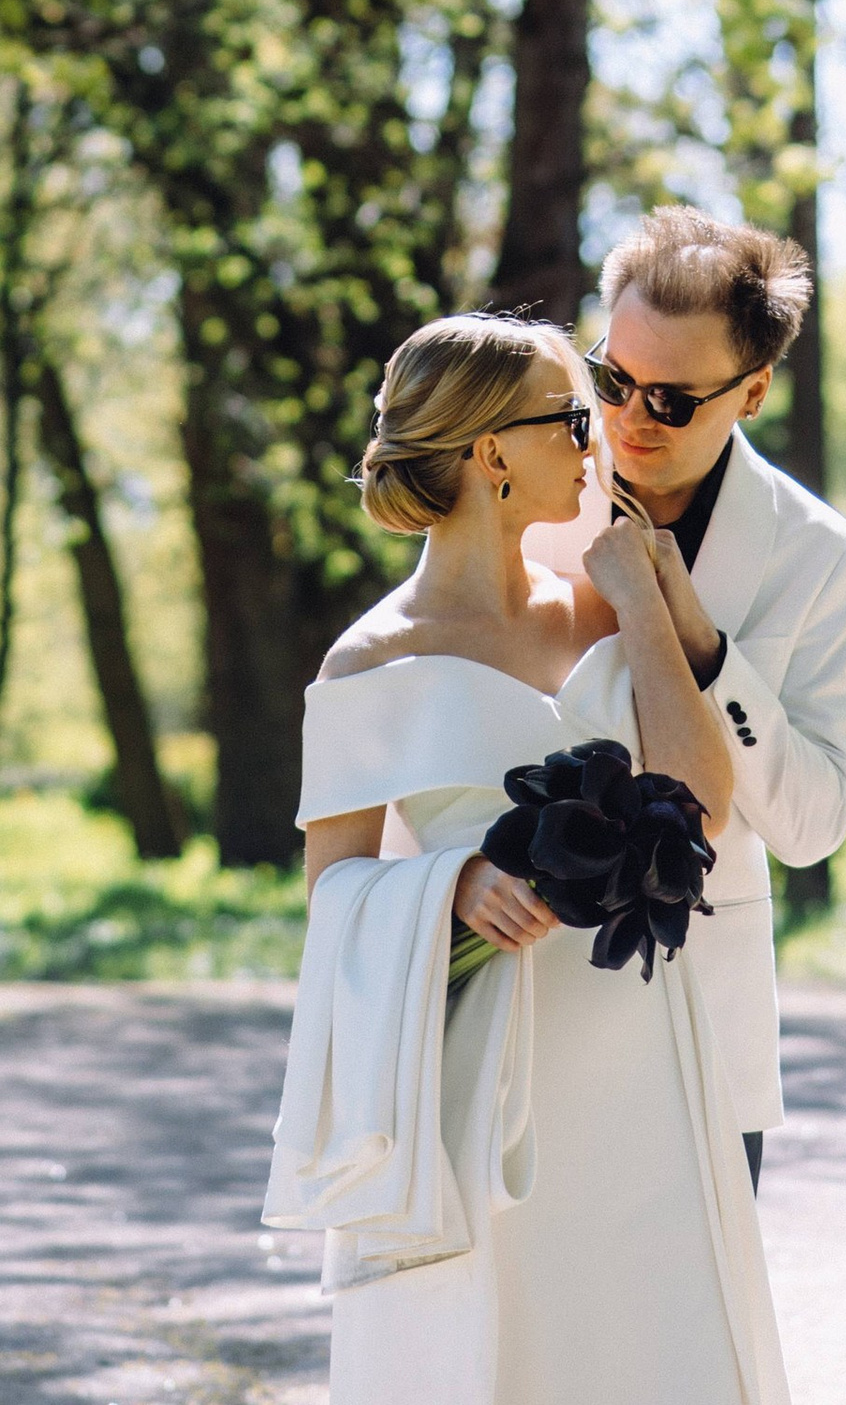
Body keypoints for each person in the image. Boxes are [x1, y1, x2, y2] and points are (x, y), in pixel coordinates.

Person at [267, 312, 787, 1405]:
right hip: (489, 1063)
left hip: (645, 1030)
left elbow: (703, 799)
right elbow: (331, 889)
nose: (596, 435)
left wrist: (644, 603)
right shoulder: (369, 659)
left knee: (652, 1330)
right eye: (569, 416)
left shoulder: (606, 603)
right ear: (490, 454)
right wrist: (448, 885)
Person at [576, 211, 846, 1185]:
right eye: (611, 378)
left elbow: (810, 825)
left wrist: (703, 647)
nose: (625, 419)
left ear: (751, 391)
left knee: (697, 1336)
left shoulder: (820, 557)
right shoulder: (516, 488)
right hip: (522, 1004)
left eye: (669, 399)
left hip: (701, 1005)